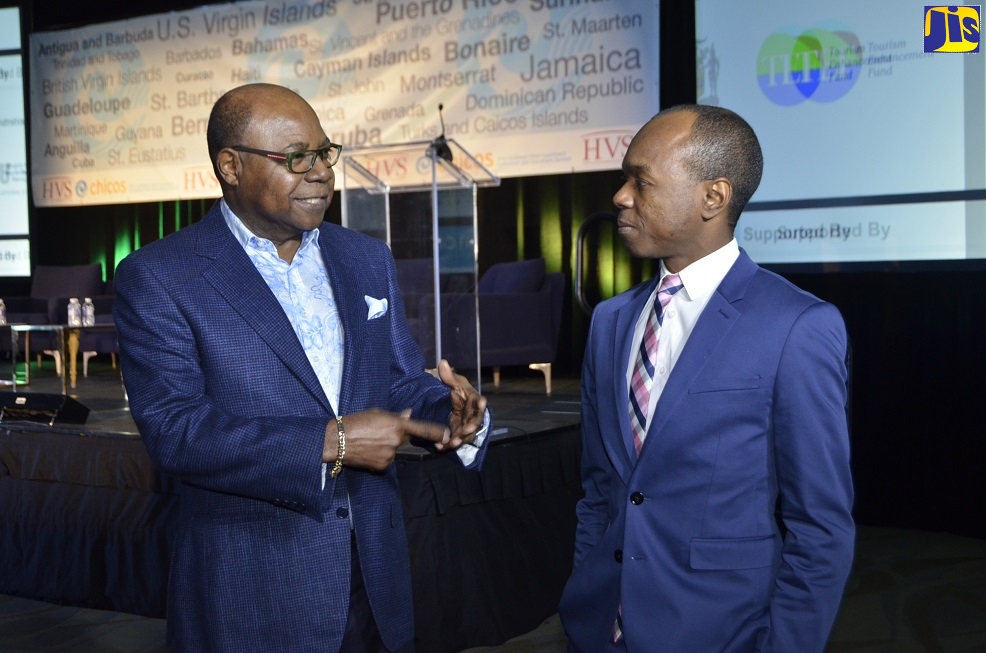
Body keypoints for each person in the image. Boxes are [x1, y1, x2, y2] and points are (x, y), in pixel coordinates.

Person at [113, 83, 490, 653]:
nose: (320, 173)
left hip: (376, 583)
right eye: (296, 157)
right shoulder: (161, 276)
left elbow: (397, 379)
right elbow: (176, 431)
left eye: (324, 153)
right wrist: (331, 442)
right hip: (252, 594)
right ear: (230, 166)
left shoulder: (365, 258)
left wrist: (452, 413)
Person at [558, 105, 855, 652]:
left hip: (722, 634)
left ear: (713, 198)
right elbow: (600, 491)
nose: (621, 196)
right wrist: (585, 599)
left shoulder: (796, 326)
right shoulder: (609, 321)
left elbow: (821, 528)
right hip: (599, 628)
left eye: (641, 181)